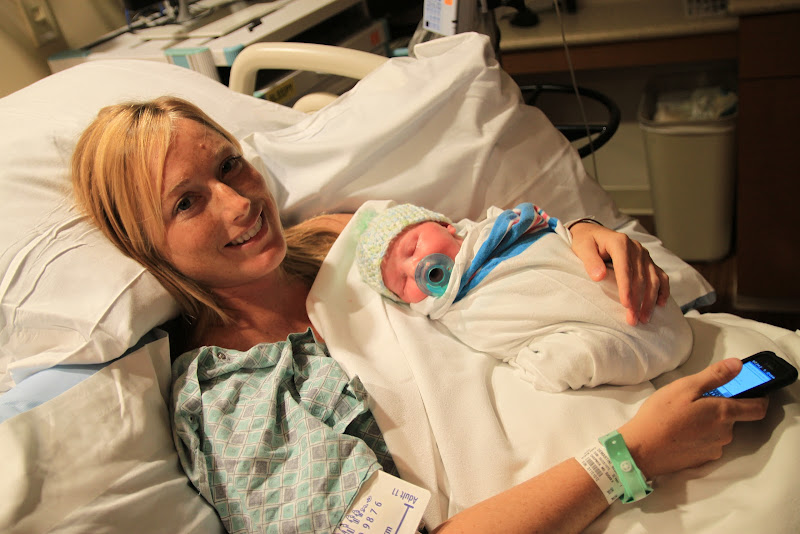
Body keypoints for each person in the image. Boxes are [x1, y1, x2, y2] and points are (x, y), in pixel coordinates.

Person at [71, 96, 768, 534]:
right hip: (607, 480)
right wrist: (632, 456)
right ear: (146, 245)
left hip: (637, 386)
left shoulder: (348, 239)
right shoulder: (238, 402)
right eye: (186, 203)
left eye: (229, 166)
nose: (239, 203)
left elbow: (486, 255)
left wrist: (578, 236)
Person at [354, 202, 693, 392]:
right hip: (596, 342)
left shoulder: (503, 230)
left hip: (640, 303)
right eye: (401, 283)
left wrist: (576, 230)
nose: (414, 267)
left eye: (413, 247)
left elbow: (553, 231)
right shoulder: (452, 311)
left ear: (446, 226)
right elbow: (493, 334)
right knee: (567, 361)